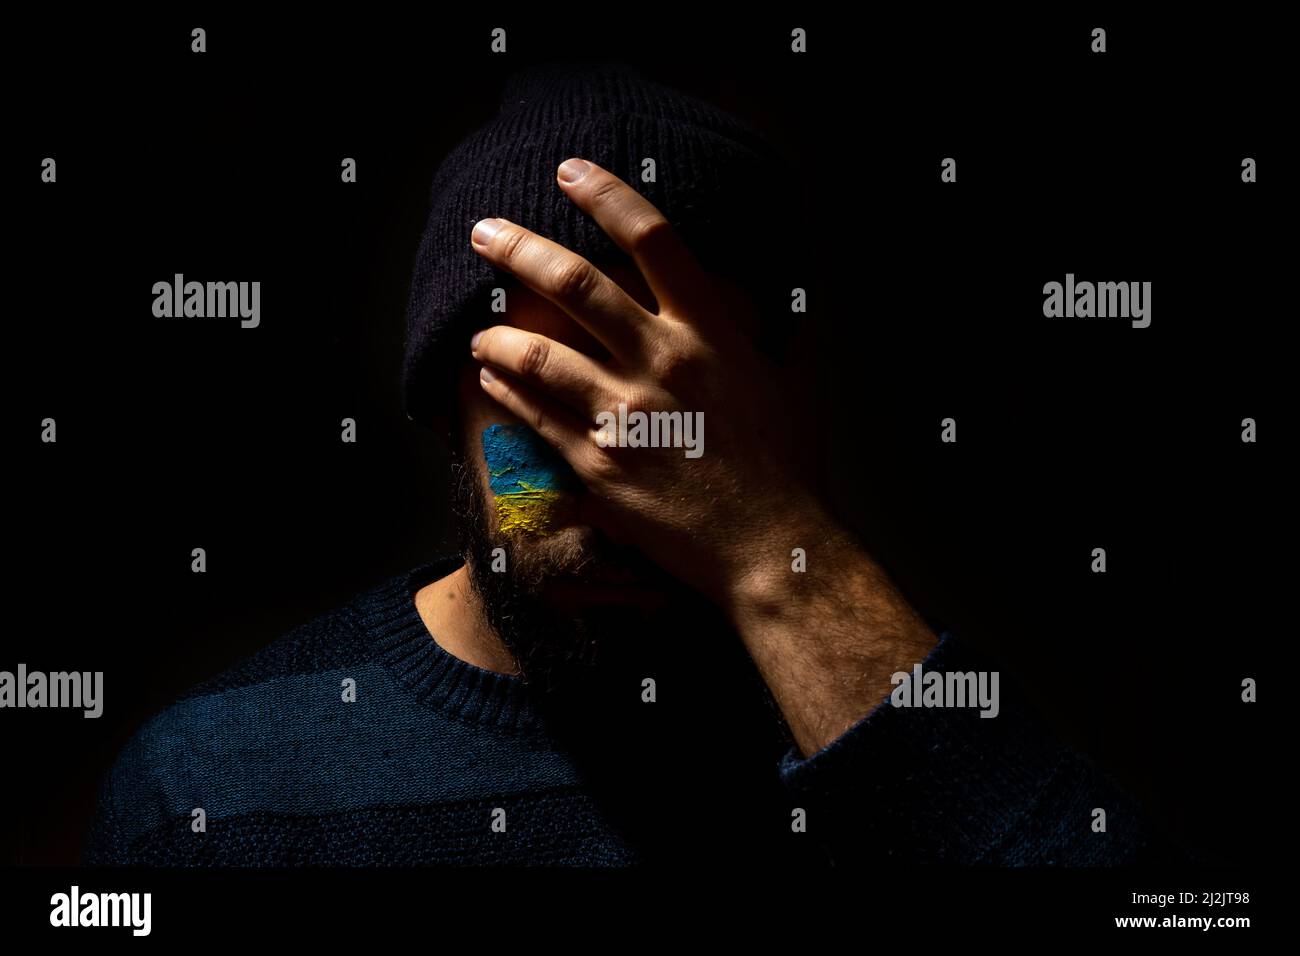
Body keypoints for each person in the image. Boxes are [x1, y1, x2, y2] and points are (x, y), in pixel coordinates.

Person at [84, 61, 1171, 866]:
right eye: (549, 386)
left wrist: (770, 550)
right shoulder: (211, 786)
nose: (612, 463)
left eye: (678, 404)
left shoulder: (875, 720)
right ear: (441, 398)